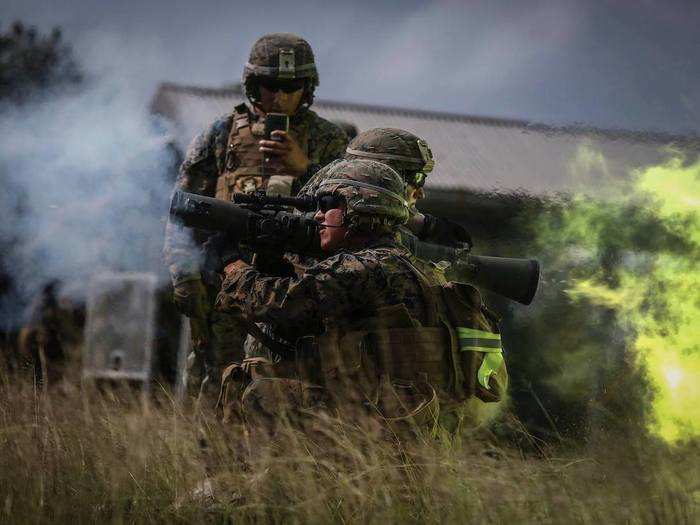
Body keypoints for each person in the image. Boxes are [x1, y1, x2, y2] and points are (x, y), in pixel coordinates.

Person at [216, 159, 507, 434]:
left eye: (329, 204)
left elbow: (281, 304)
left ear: (361, 207)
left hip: (375, 430)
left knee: (255, 389)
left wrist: (232, 264)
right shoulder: (414, 265)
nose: (317, 214)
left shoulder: (364, 267)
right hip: (412, 427)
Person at [163, 33, 348, 393]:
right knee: (210, 392)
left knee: (279, 393)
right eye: (268, 85)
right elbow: (183, 210)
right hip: (222, 288)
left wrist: (305, 168)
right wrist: (184, 276)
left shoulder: (329, 140)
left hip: (293, 293)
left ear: (306, 87)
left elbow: (346, 211)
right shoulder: (220, 134)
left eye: (289, 86)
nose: (278, 96)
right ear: (251, 85)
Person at [301, 127, 472, 249]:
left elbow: (457, 240)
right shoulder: (325, 225)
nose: (421, 193)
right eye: (416, 179)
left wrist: (418, 223)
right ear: (378, 175)